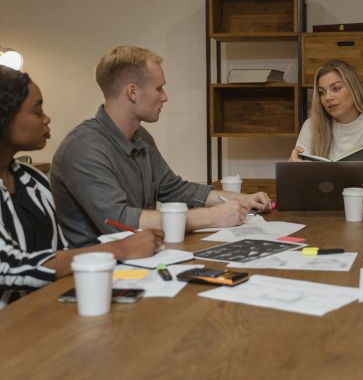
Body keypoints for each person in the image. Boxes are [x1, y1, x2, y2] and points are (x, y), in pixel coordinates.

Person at [51, 46, 272, 247]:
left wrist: (241, 199)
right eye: (159, 88)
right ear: (133, 92)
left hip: (143, 257)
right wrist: (211, 217)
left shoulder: (141, 137)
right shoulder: (83, 149)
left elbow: (174, 189)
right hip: (99, 271)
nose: (165, 97)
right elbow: (118, 221)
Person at [0, 66, 163, 307]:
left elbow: (61, 251)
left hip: (46, 311)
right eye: (37, 111)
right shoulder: (83, 146)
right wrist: (121, 249)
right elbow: (9, 268)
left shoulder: (32, 179)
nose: (47, 118)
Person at [289, 59, 363, 195]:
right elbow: (297, 187)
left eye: (336, 88)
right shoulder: (311, 126)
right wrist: (295, 170)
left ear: (353, 88)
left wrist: (354, 189)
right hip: (321, 211)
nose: (328, 97)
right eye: (322, 92)